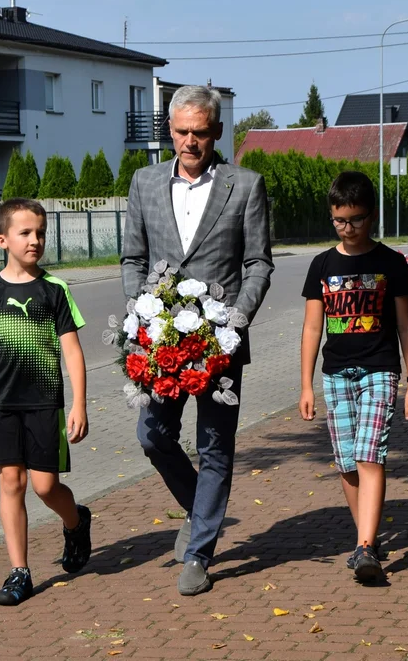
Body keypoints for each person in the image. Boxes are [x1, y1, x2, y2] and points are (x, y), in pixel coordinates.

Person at [121, 85, 273, 596]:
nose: (191, 142)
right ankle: (198, 508)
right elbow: (133, 259)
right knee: (153, 435)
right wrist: (139, 315)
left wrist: (236, 319)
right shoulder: (143, 183)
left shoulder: (245, 185)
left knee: (214, 445)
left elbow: (258, 264)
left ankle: (199, 552)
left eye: (201, 133)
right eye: (183, 131)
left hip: (219, 342)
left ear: (217, 133)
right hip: (160, 339)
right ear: (170, 130)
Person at [0, 198, 92, 606]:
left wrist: (79, 404)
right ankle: (19, 572)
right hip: (2, 404)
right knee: (12, 482)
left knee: (46, 487)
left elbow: (73, 352)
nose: (35, 240)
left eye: (41, 233)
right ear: (2, 239)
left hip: (46, 403)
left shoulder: (55, 289)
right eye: (25, 233)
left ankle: (76, 520)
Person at [299, 171, 408, 583]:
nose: (347, 229)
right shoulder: (322, 265)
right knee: (347, 462)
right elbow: (313, 328)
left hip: (380, 370)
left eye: (355, 220)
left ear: (371, 217)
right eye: (339, 221)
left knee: (371, 454)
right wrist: (305, 385)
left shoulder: (390, 263)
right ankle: (363, 540)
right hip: (335, 375)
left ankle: (367, 547)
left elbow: (406, 324)